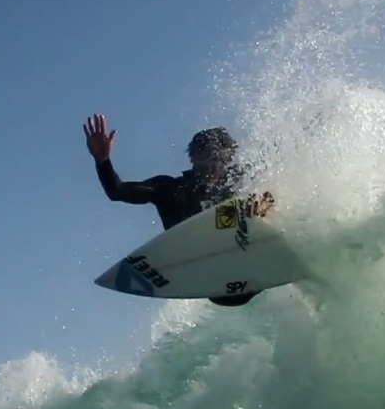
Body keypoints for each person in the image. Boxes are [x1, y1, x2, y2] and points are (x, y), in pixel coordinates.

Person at [83, 113, 273, 307]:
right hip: (207, 279)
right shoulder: (169, 188)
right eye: (204, 151)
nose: (212, 158)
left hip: (247, 268)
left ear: (229, 156)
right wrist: (103, 160)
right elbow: (118, 191)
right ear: (193, 156)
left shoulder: (241, 181)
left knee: (260, 201)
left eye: (219, 153)